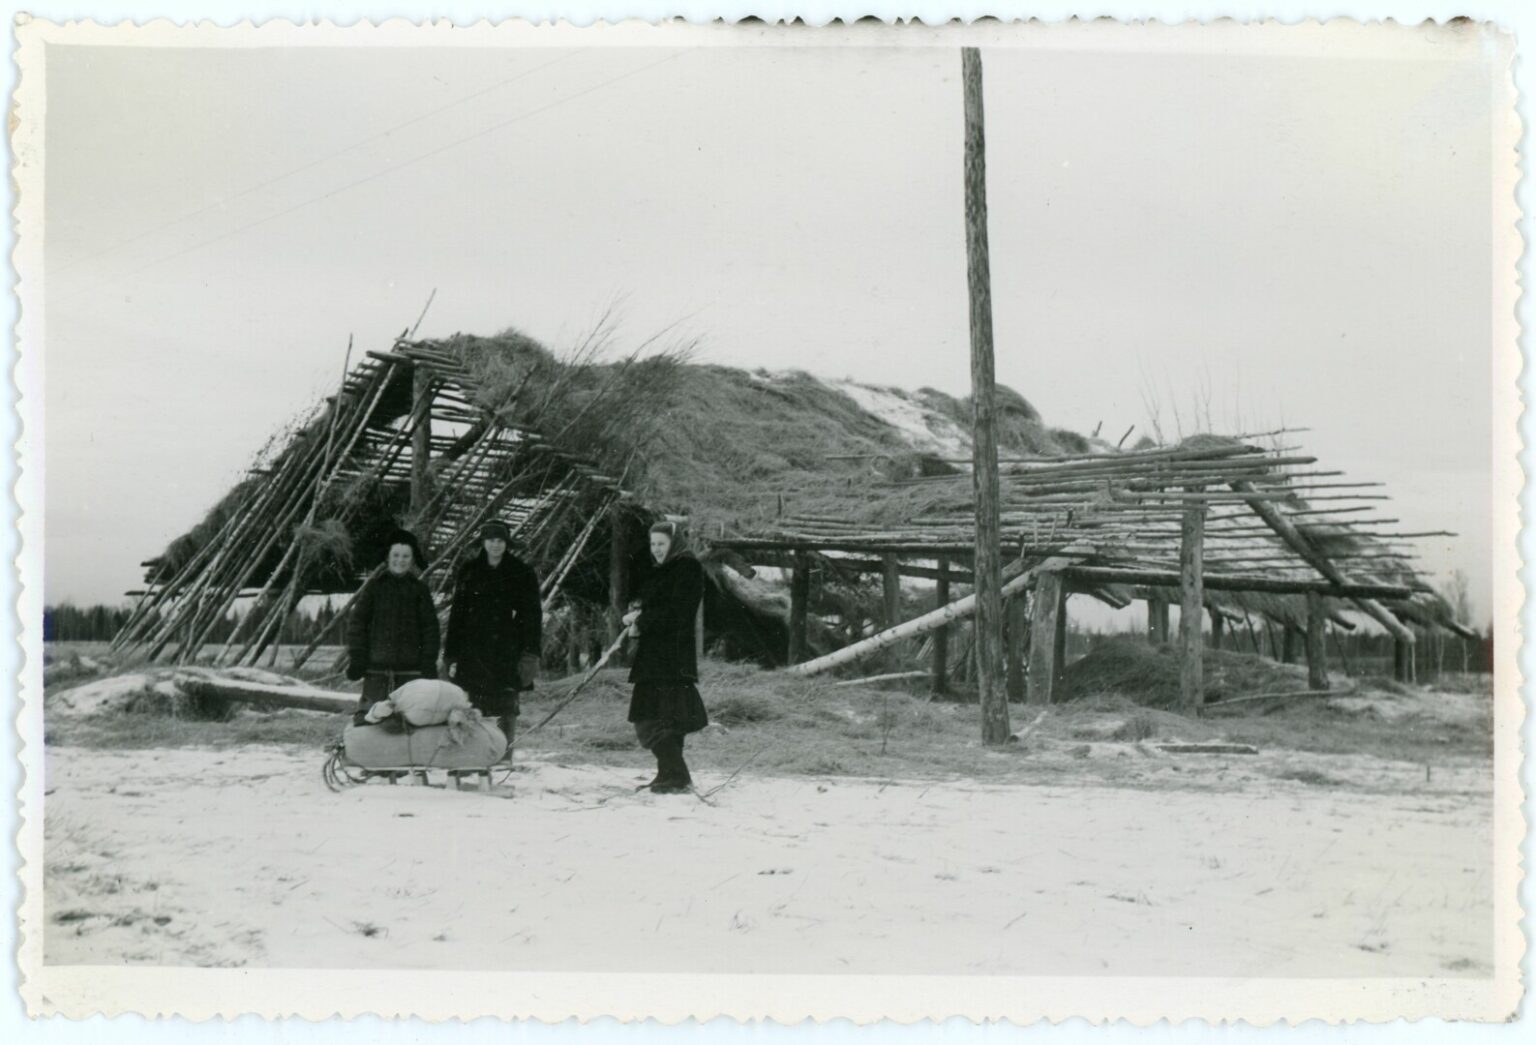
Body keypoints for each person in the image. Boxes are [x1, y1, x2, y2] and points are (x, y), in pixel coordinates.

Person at [623, 520, 708, 794]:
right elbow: (655, 606)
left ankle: (677, 775)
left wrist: (643, 619)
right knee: (662, 716)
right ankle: (667, 774)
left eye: (662, 544)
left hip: (671, 655)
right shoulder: (661, 570)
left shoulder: (688, 568)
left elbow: (678, 612)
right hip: (655, 653)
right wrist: (637, 615)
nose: (657, 550)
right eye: (653, 544)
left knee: (656, 717)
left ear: (674, 544)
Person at [443, 519, 542, 740]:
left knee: (505, 707)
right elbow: (457, 616)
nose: (495, 545)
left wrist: (530, 654)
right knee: (472, 709)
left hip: (506, 653)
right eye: (490, 540)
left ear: (507, 543)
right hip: (473, 653)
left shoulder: (521, 572)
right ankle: (474, 760)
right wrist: (451, 655)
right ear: (483, 543)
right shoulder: (469, 571)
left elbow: (533, 617)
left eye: (500, 541)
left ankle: (504, 757)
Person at [347, 529, 441, 727]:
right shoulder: (374, 587)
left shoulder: (419, 590)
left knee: (408, 728)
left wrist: (428, 663)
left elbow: (430, 629)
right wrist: (358, 658)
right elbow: (357, 624)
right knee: (369, 723)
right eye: (396, 555)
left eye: (406, 556)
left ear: (412, 558)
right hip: (376, 673)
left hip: (411, 675)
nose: (401, 560)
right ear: (388, 557)